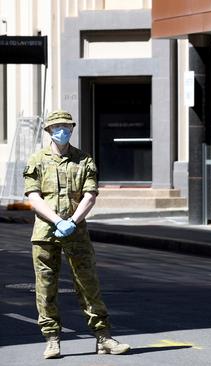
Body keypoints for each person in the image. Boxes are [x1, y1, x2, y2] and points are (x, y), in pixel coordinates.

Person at [23, 110, 130, 359]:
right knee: (45, 287)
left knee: (88, 283)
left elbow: (90, 196)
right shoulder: (37, 161)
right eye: (57, 127)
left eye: (67, 127)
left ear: (72, 129)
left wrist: (72, 220)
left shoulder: (84, 160)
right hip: (45, 233)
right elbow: (33, 197)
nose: (63, 131)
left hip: (76, 232)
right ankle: (51, 340)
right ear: (48, 130)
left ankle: (103, 338)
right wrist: (57, 220)